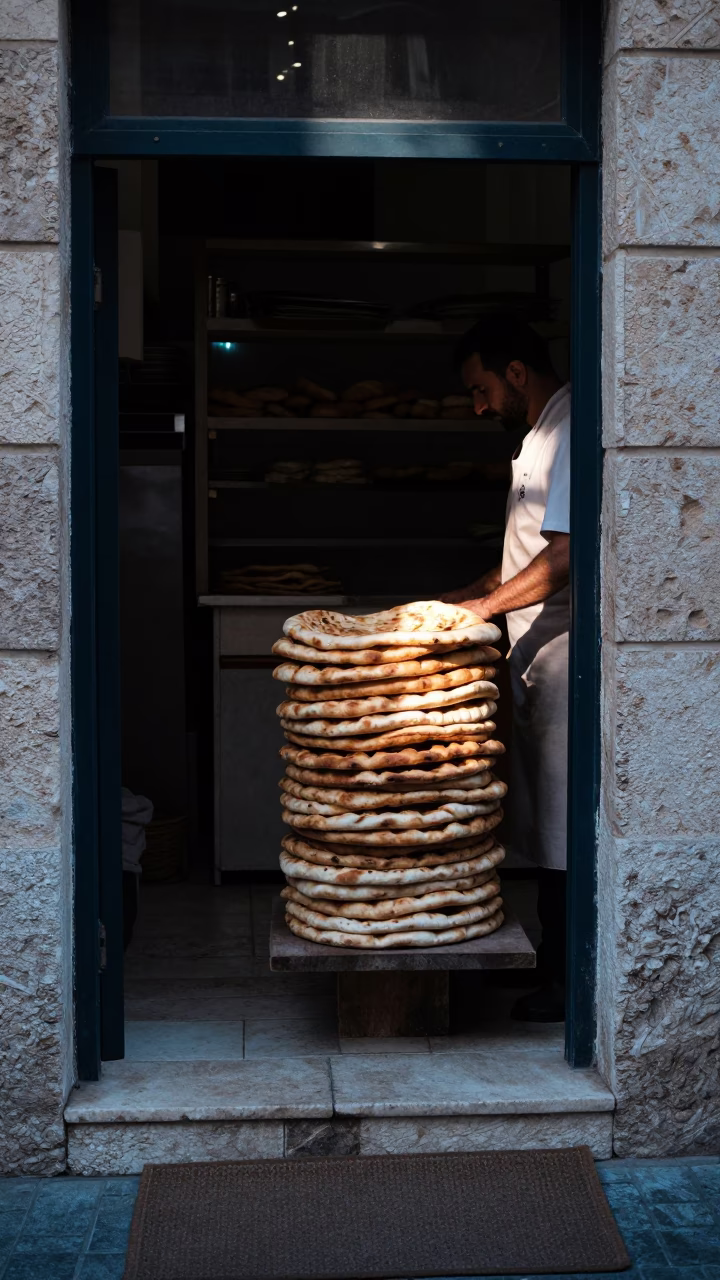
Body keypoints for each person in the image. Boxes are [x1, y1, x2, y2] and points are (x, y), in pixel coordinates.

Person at [443, 316, 570, 1022]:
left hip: (563, 656)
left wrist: (486, 607)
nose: (479, 405)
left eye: (482, 388)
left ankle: (562, 978)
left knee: (561, 830)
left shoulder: (572, 429)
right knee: (538, 823)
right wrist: (464, 596)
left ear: (517, 372)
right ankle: (541, 963)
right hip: (530, 658)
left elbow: (566, 554)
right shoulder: (536, 437)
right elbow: (525, 554)